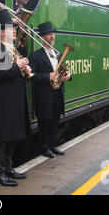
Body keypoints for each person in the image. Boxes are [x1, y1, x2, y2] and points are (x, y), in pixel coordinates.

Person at [0, 9, 32, 187]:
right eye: (10, 28)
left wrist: (26, 71)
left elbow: (16, 73)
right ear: (1, 32)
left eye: (14, 28)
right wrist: (17, 66)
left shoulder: (14, 50)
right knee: (1, 137)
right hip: (4, 100)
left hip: (16, 99)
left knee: (12, 135)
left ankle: (8, 168)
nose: (14, 31)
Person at [29, 22, 71, 158]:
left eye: (53, 33)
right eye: (49, 34)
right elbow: (32, 76)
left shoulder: (58, 54)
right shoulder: (35, 55)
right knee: (44, 121)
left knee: (55, 120)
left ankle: (53, 145)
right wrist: (48, 76)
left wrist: (68, 76)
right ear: (42, 37)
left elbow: (65, 71)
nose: (52, 36)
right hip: (44, 94)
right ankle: (44, 147)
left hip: (58, 92)